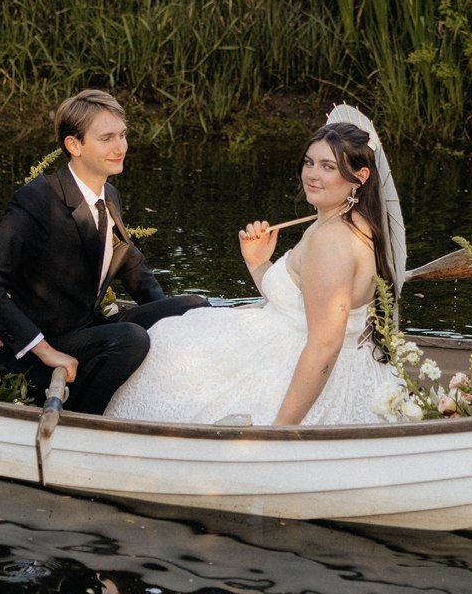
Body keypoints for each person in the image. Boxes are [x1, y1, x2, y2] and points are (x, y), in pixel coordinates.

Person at [103, 106, 408, 426]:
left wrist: (280, 430)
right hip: (288, 342)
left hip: (307, 371)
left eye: (328, 166)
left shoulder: (333, 239)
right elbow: (298, 306)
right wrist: (258, 262)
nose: (312, 174)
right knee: (178, 333)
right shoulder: (342, 222)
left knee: (169, 349)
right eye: (309, 162)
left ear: (360, 178)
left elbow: (325, 345)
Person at [0, 89, 206, 414]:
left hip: (86, 329)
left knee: (194, 307)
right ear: (73, 145)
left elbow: (132, 266)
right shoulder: (38, 200)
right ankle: (83, 418)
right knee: (131, 339)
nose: (121, 147)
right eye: (107, 138)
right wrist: (45, 350)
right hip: (46, 346)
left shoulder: (109, 195)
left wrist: (171, 322)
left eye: (122, 135)